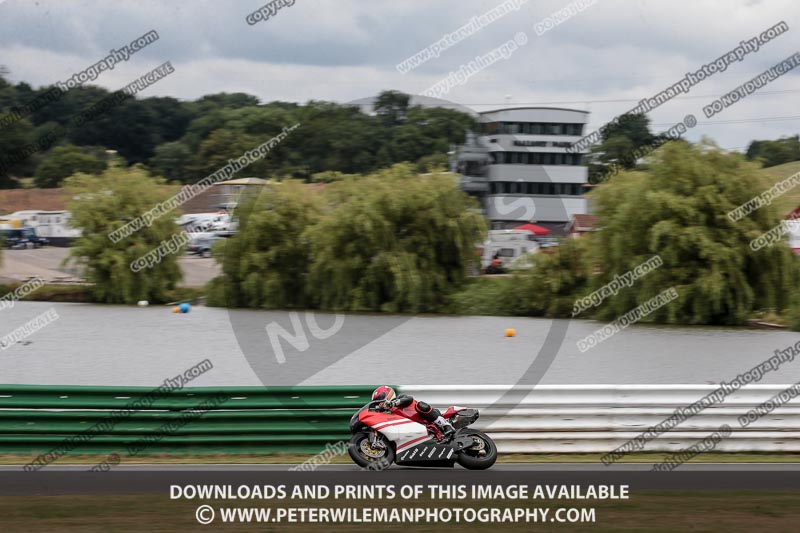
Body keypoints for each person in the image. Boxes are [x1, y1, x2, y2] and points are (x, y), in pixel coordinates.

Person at [371, 386, 455, 439]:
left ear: (387, 395)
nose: (379, 403)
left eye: (380, 399)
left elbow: (409, 398)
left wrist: (394, 403)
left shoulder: (400, 398)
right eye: (377, 401)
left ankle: (446, 426)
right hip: (418, 431)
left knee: (421, 405)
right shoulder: (389, 413)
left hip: (428, 418)